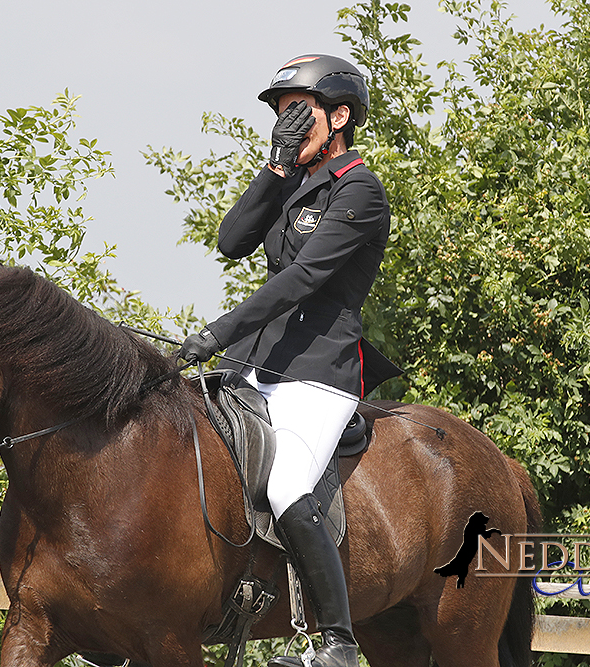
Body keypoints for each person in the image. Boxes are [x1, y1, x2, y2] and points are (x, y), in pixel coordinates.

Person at [179, 54, 400, 667]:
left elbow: (303, 278)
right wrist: (276, 166)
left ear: (339, 116)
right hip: (260, 362)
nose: (286, 124)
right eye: (280, 116)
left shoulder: (360, 189)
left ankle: (337, 643)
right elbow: (231, 242)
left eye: (297, 115)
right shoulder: (291, 185)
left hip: (320, 371)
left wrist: (218, 332)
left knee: (286, 485)